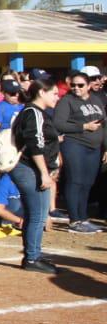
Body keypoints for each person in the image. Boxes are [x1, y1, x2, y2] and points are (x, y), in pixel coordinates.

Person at [10, 74, 62, 274]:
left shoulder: (32, 112)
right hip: (29, 168)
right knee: (38, 214)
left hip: (30, 167)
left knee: (36, 213)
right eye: (54, 94)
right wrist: (44, 173)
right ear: (42, 92)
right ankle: (32, 257)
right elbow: (35, 144)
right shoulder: (34, 112)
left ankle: (33, 254)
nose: (57, 98)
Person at [52, 69, 105, 234]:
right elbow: (58, 124)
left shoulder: (96, 100)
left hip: (94, 147)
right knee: (75, 181)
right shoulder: (66, 101)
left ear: (88, 86)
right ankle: (74, 220)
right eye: (73, 85)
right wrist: (83, 126)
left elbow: (104, 125)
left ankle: (83, 218)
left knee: (87, 183)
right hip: (75, 144)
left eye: (80, 85)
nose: (76, 88)